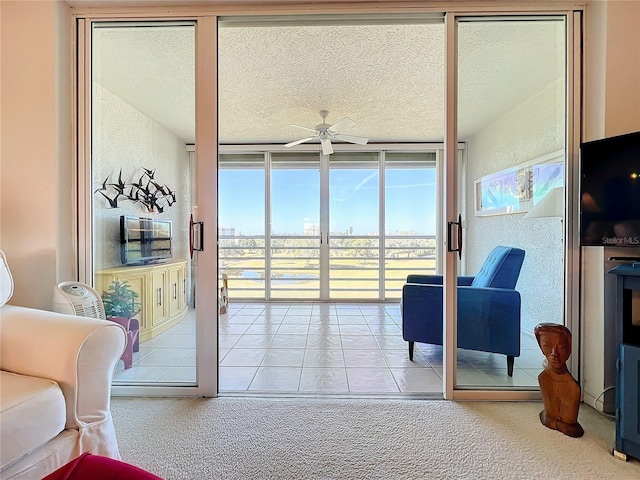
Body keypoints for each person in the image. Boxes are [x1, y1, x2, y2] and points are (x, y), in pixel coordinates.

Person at [534, 323, 584, 437]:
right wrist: (556, 424)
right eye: (547, 346)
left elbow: (571, 425)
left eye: (561, 347)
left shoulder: (573, 388)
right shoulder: (543, 379)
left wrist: (554, 424)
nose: (554, 353)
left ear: (569, 349)